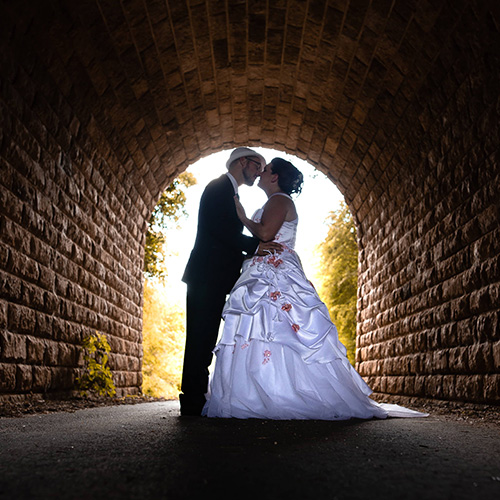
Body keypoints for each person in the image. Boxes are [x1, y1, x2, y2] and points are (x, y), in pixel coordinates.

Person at [202, 158, 428, 420]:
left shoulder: (280, 200)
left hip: (276, 271)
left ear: (275, 177)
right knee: (263, 328)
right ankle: (260, 391)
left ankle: (279, 393)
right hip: (262, 267)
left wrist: (241, 216)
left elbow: (265, 234)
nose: (261, 173)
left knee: (279, 327)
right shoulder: (271, 201)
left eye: (266, 170)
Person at [180, 148, 282, 416]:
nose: (260, 171)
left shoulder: (230, 190)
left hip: (216, 276)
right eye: (257, 165)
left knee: (205, 337)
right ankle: (191, 400)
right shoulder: (219, 187)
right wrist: (255, 246)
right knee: (200, 337)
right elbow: (220, 229)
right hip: (206, 275)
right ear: (243, 162)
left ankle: (196, 397)